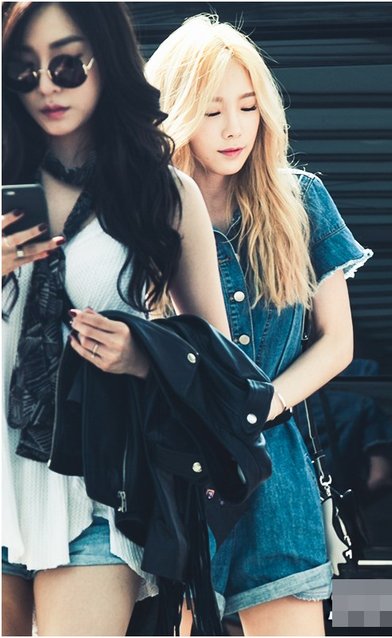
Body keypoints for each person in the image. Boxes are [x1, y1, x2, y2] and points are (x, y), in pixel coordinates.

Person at [2, 3, 231, 636]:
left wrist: (143, 355)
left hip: (99, 491)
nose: (46, 86)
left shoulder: (163, 193)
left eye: (66, 65)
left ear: (106, 61)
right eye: (23, 70)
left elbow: (216, 359)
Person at [146, 14, 373, 637]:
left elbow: (337, 342)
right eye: (212, 110)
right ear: (175, 113)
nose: (234, 127)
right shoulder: (145, 208)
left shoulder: (299, 199)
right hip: (174, 473)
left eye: (248, 107)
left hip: (276, 473)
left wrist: (259, 405)